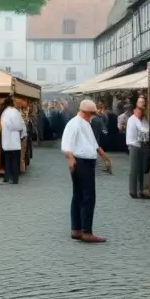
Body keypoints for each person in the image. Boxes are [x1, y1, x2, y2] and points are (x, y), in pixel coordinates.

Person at [61, 99, 112, 243]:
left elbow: (93, 143)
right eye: (91, 113)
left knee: (78, 195)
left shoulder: (85, 123)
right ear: (85, 112)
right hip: (81, 161)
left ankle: (76, 229)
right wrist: (71, 159)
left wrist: (103, 155)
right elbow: (66, 145)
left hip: (84, 161)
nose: (92, 116)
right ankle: (86, 231)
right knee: (88, 196)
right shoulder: (74, 123)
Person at [0, 96, 27, 185]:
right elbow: (19, 126)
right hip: (14, 139)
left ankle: (6, 177)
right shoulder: (15, 112)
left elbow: (4, 125)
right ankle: (15, 178)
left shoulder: (4, 113)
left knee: (7, 159)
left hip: (7, 139)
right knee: (15, 159)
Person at [126, 102, 150, 198]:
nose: (140, 112)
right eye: (139, 110)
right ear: (134, 111)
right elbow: (144, 129)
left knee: (141, 169)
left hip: (141, 145)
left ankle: (140, 190)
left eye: (142, 111)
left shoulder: (142, 119)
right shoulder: (133, 119)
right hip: (134, 146)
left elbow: (146, 128)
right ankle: (133, 191)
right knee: (134, 169)